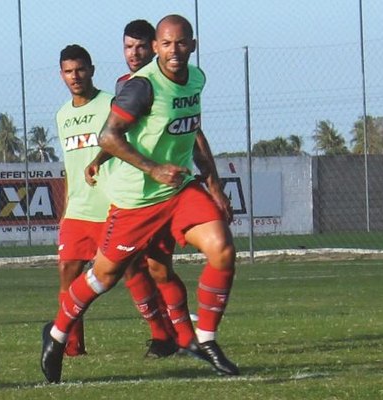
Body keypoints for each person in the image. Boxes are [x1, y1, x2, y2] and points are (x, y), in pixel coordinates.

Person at [41, 15, 238, 384]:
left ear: (193, 45)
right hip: (137, 200)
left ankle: (206, 340)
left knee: (222, 248)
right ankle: (56, 336)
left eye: (181, 43)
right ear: (157, 49)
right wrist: (152, 168)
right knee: (103, 276)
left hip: (179, 190)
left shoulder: (196, 79)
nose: (174, 51)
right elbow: (108, 136)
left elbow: (193, 133)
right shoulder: (141, 87)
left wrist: (213, 186)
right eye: (167, 44)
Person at [53, 43, 177, 360]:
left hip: (111, 205)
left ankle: (162, 336)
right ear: (61, 75)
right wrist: (65, 209)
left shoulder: (113, 103)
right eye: (68, 71)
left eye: (80, 69)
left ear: (92, 70)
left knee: (133, 272)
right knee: (68, 271)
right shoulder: (62, 115)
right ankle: (71, 346)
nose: (75, 76)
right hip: (78, 211)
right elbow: (70, 166)